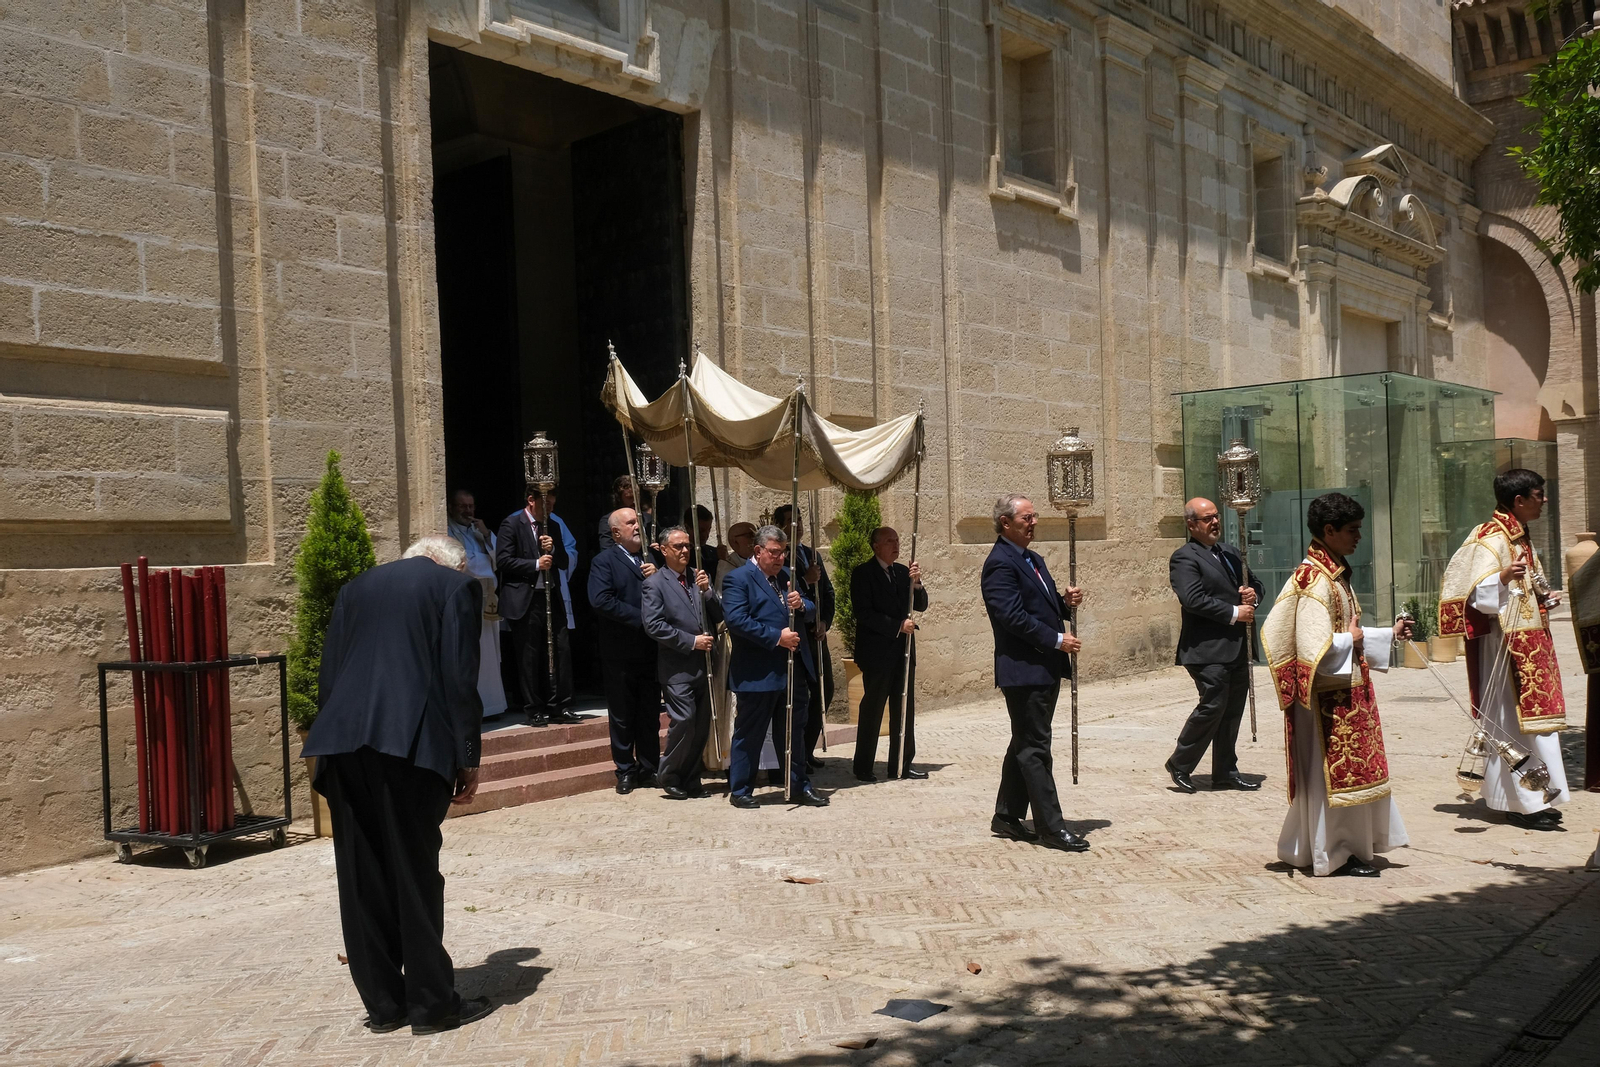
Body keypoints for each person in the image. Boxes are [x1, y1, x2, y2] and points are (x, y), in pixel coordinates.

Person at [302, 536, 492, 1035]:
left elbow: (330, 675)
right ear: (450, 563)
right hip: (410, 745)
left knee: (361, 874)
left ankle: (384, 1005)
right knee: (414, 873)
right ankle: (432, 1005)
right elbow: (458, 679)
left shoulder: (355, 588)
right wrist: (467, 756)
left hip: (342, 744)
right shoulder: (456, 589)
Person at [1262, 492, 1412, 877]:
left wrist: (1388, 635)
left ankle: (1351, 846)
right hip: (1324, 696)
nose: (1358, 537)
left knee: (1357, 770)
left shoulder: (1334, 573)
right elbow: (1311, 646)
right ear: (1329, 530)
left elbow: (1348, 632)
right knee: (1330, 773)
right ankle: (1334, 850)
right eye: (1352, 530)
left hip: (1347, 688)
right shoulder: (1313, 578)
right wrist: (1352, 640)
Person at [1438, 469, 1570, 830]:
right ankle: (1518, 801)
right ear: (1519, 500)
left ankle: (1540, 794)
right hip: (1504, 648)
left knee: (1537, 726)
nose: (1543, 501)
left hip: (1530, 642)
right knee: (1510, 723)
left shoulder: (1519, 536)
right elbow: (1476, 595)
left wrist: (1545, 598)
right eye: (1539, 495)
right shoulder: (1489, 536)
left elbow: (1527, 587)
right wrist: (1500, 578)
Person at [980, 494, 1089, 853]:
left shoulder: (1032, 558)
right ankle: (1051, 829)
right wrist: (1057, 639)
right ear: (1005, 523)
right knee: (1036, 749)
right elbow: (1011, 617)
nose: (1034, 522)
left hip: (1043, 668)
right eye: (1026, 517)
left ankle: (1007, 815)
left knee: (1026, 741)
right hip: (1023, 669)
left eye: (1035, 516)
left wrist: (1064, 602)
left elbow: (1039, 604)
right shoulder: (1000, 563)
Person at [1165, 497, 1265, 793]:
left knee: (1232, 709)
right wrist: (1235, 612)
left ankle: (1225, 771)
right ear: (1191, 524)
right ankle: (1180, 763)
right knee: (1213, 704)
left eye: (1216, 517)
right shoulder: (1185, 557)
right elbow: (1192, 599)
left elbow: (1256, 583)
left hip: (1237, 647)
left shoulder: (1231, 552)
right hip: (1206, 648)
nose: (1215, 522)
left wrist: (1252, 596)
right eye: (1207, 518)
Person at [722, 524, 827, 807]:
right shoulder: (738, 579)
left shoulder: (787, 577)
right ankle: (741, 790)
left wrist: (802, 604)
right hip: (758, 672)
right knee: (750, 733)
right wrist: (775, 637)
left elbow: (812, 608)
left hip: (792, 671)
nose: (780, 558)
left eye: (783, 552)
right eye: (774, 552)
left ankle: (798, 785)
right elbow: (737, 620)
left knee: (793, 733)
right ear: (758, 551)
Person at [643, 525, 722, 799]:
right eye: (678, 546)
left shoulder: (698, 578)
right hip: (677, 667)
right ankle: (668, 774)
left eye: (688, 545)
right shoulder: (655, 584)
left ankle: (690, 778)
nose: (685, 550)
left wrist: (709, 591)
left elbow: (719, 613)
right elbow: (654, 626)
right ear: (664, 550)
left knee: (701, 726)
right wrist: (691, 641)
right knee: (684, 720)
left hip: (705, 666)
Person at [588, 508, 663, 793]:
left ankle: (649, 767)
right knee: (622, 713)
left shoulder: (653, 558)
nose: (638, 526)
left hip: (651, 649)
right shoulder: (603, 561)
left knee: (649, 712)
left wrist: (659, 576)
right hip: (620, 649)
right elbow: (600, 600)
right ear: (616, 532)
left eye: (640, 522)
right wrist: (642, 619)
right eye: (631, 523)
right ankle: (625, 770)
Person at [850, 526, 929, 782]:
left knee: (904, 708)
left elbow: (920, 605)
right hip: (877, 653)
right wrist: (897, 626)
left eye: (897, 540)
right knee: (873, 709)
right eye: (889, 541)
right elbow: (863, 613)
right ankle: (863, 766)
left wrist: (916, 584)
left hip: (903, 653)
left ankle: (902, 764)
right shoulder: (863, 573)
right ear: (875, 546)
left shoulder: (902, 572)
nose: (895, 545)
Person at [496, 490, 577, 726]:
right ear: (531, 501)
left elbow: (562, 562)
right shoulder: (512, 524)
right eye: (546, 504)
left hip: (551, 596)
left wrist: (552, 549)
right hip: (525, 599)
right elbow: (502, 560)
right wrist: (535, 564)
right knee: (530, 655)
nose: (549, 508)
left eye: (552, 504)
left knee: (560, 650)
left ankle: (561, 705)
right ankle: (534, 708)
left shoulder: (553, 525)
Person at [772, 504, 834, 770]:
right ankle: (795, 754)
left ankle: (807, 750)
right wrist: (807, 581)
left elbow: (828, 594)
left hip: (816, 636)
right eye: (788, 520)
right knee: (799, 697)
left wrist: (823, 621)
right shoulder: (780, 558)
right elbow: (787, 594)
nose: (795, 525)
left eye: (797, 519)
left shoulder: (811, 555)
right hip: (796, 638)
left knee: (825, 690)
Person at [447, 489, 508, 718]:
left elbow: (500, 560)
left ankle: (493, 706)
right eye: (462, 506)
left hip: (488, 599)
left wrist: (487, 535)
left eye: (471, 506)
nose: (468, 511)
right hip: (466, 598)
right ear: (451, 508)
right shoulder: (447, 531)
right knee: (471, 653)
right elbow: (463, 563)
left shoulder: (477, 532)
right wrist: (485, 560)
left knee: (490, 656)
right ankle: (473, 709)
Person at [598, 475, 654, 550]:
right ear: (619, 498)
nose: (635, 501)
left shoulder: (647, 518)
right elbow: (607, 548)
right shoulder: (608, 521)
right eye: (630, 497)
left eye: (637, 497)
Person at [716, 521, 757, 592]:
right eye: (750, 535)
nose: (755, 540)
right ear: (735, 542)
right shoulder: (727, 566)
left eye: (756, 535)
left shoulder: (762, 560)